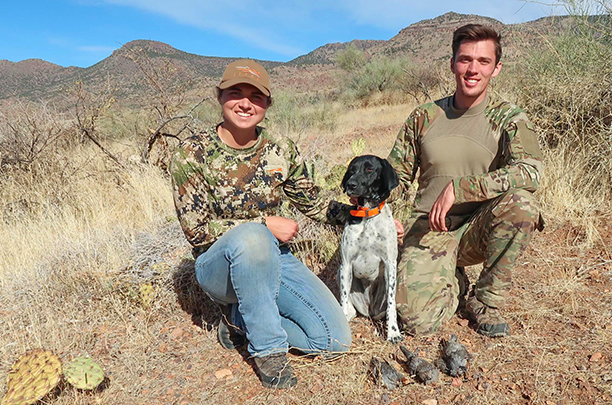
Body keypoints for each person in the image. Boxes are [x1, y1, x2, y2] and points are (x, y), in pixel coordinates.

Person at [169, 59, 351, 389]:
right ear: (220, 96)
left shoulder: (281, 149)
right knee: (253, 238)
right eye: (235, 92)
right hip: (217, 268)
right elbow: (197, 232)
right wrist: (263, 223)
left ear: (267, 103)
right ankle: (269, 353)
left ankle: (238, 320)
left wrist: (366, 217)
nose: (245, 103)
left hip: (273, 259)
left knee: (333, 340)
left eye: (256, 96)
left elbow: (315, 202)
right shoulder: (191, 153)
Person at [387, 24, 544, 338]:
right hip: (430, 228)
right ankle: (451, 276)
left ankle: (486, 301)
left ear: (496, 68)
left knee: (522, 204)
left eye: (483, 61)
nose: (473, 69)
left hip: (478, 228)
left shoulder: (510, 118)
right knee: (419, 323)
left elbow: (531, 172)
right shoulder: (424, 116)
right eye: (465, 60)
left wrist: (461, 189)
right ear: (452, 64)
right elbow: (396, 176)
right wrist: (384, 213)